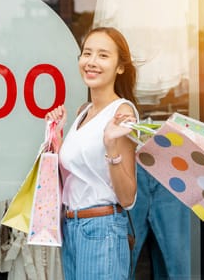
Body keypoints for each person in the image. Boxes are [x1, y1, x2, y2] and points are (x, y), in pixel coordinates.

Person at [45, 26, 139, 280]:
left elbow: (128, 197)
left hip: (102, 230)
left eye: (103, 55)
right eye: (87, 53)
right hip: (72, 227)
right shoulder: (82, 113)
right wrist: (58, 136)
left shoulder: (123, 114)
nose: (92, 62)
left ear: (120, 67)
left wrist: (111, 145)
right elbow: (77, 174)